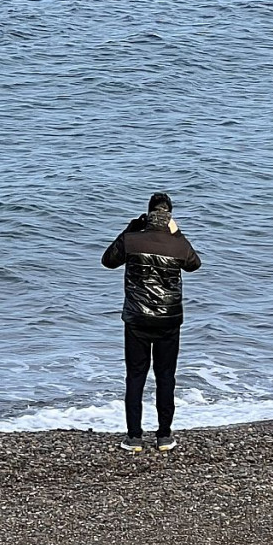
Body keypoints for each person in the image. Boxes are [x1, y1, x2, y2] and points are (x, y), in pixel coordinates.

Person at [102, 192, 201, 453]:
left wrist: (128, 230)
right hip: (168, 320)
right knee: (165, 376)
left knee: (135, 376)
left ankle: (134, 437)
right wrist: (177, 234)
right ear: (169, 216)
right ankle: (164, 436)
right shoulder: (177, 244)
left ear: (147, 214)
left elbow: (108, 261)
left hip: (136, 319)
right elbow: (194, 264)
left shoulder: (133, 240)